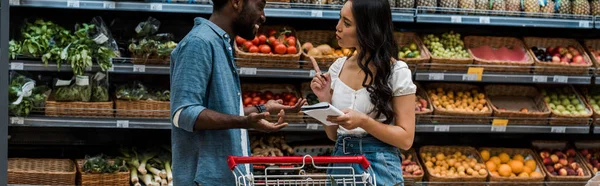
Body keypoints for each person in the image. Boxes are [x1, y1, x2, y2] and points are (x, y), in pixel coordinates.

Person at [169, 0, 306, 185]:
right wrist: (243, 122)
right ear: (236, 2)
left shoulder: (221, 43)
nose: (263, 16)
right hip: (204, 180)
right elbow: (183, 113)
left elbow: (222, 110)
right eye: (260, 6)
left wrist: (262, 108)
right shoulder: (199, 43)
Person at [310, 0, 416, 185]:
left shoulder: (397, 72)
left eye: (347, 22)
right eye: (340, 19)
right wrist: (324, 99)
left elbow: (406, 139)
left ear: (369, 28)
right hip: (341, 161)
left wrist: (364, 122)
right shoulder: (338, 68)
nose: (338, 27)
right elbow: (333, 135)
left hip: (380, 165)